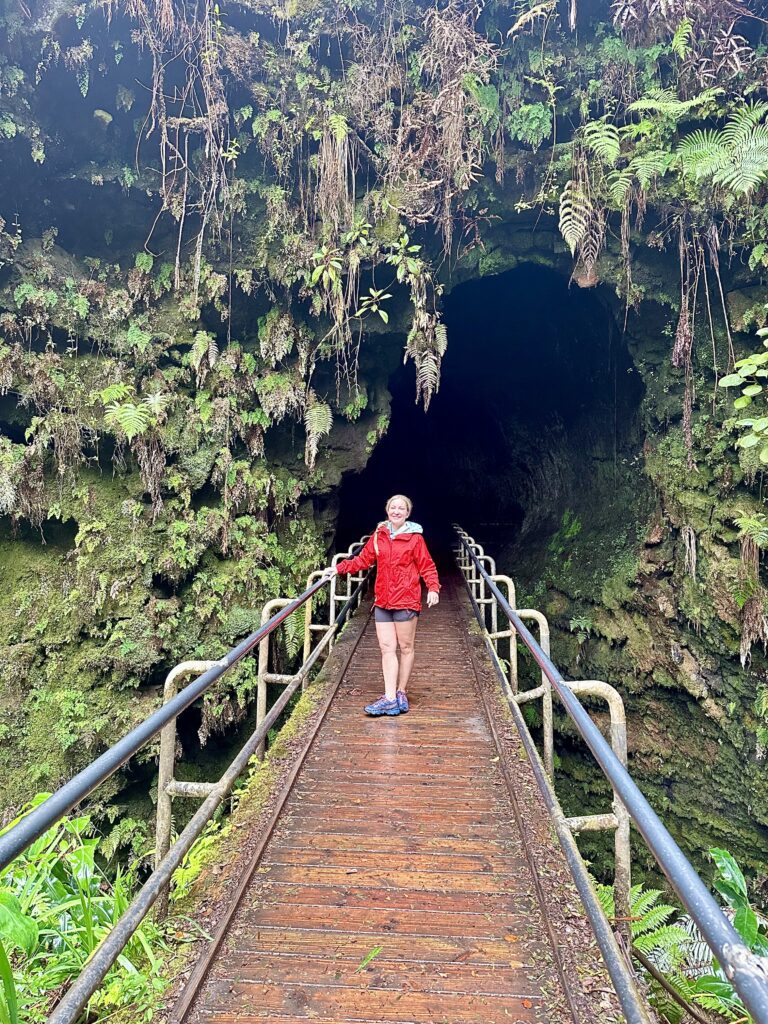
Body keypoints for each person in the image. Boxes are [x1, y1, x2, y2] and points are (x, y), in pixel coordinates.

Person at [327, 495, 440, 716]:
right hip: (383, 600)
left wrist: (433, 588)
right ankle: (389, 698)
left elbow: (427, 565)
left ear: (408, 513)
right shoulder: (379, 535)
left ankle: (401, 691)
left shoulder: (415, 539)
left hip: (406, 599)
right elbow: (364, 560)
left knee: (406, 648)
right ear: (387, 510)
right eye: (393, 507)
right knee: (387, 648)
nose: (396, 511)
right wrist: (339, 569)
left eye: (401, 508)